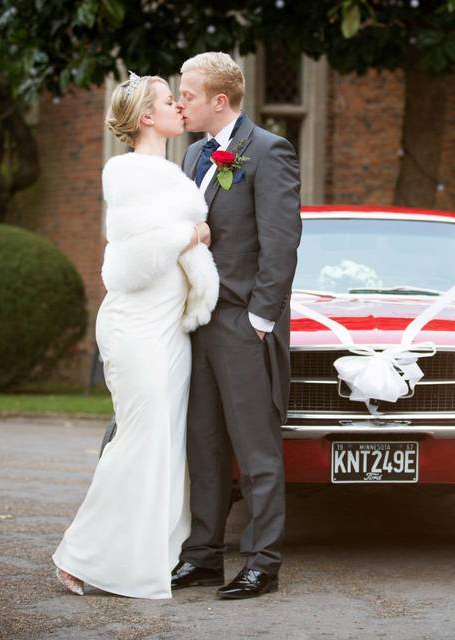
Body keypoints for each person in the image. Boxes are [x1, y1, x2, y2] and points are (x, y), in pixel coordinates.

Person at [52, 73, 218, 599]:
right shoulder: (123, 171)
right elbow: (131, 262)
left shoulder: (175, 171)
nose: (179, 107)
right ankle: (79, 555)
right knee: (139, 438)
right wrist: (189, 234)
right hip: (135, 325)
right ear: (148, 117)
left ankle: (153, 555)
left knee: (168, 443)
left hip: (171, 327)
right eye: (171, 101)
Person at [170, 52, 301, 600]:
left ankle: (262, 561)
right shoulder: (195, 153)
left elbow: (282, 242)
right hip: (195, 321)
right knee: (201, 443)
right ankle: (202, 555)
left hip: (241, 322)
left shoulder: (270, 152)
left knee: (255, 449)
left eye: (189, 95)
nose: (180, 103)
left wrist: (259, 318)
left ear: (219, 101)